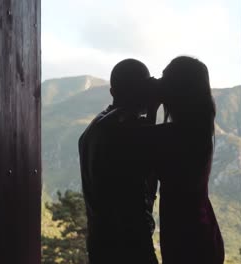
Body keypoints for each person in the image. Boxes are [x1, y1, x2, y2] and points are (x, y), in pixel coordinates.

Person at [140, 56, 225, 263]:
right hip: (202, 231)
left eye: (164, 79)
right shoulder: (198, 130)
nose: (158, 83)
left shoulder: (173, 135)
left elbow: (143, 147)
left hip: (185, 237)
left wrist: (151, 108)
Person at [78, 59, 159, 264]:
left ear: (112, 92)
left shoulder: (94, 128)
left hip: (101, 242)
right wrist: (153, 108)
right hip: (130, 243)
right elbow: (145, 167)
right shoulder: (126, 127)